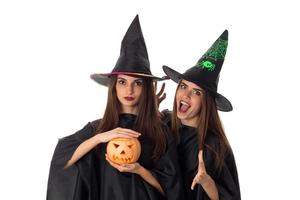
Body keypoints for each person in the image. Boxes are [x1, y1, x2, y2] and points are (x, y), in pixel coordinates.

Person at [47, 15, 182, 200]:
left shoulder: (161, 133)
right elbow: (64, 160)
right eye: (122, 82)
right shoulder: (97, 129)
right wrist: (100, 138)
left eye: (138, 83)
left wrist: (140, 170)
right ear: (114, 87)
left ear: (146, 89)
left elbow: (171, 189)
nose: (129, 89)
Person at [161, 30, 241, 200]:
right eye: (183, 87)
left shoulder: (216, 146)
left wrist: (207, 183)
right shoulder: (164, 124)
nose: (186, 95)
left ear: (207, 102)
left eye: (196, 92)